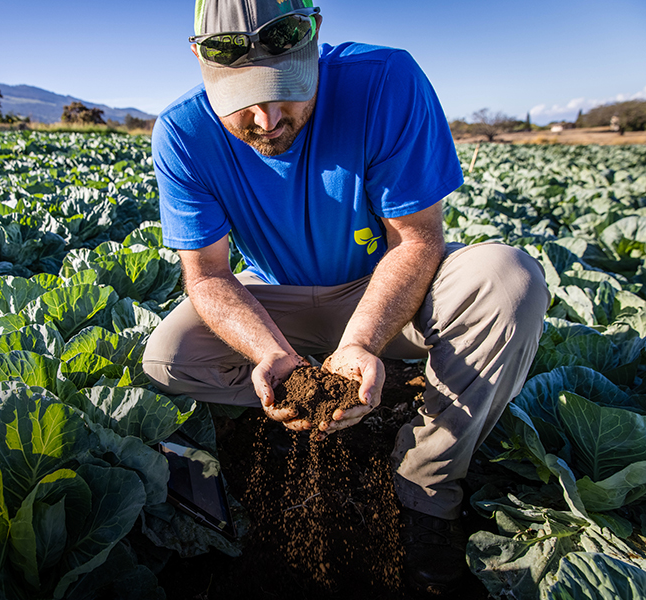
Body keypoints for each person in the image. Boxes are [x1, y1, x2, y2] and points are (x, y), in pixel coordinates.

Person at [142, 0, 550, 594]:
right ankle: (363, 400)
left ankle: (427, 491)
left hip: (388, 285)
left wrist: (360, 341)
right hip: (277, 294)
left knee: (509, 280)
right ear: (203, 64)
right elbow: (207, 276)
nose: (268, 117)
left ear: (314, 43)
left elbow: (415, 241)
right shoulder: (182, 131)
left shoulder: (384, 80)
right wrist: (272, 357)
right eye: (244, 101)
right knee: (167, 358)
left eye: (287, 93)